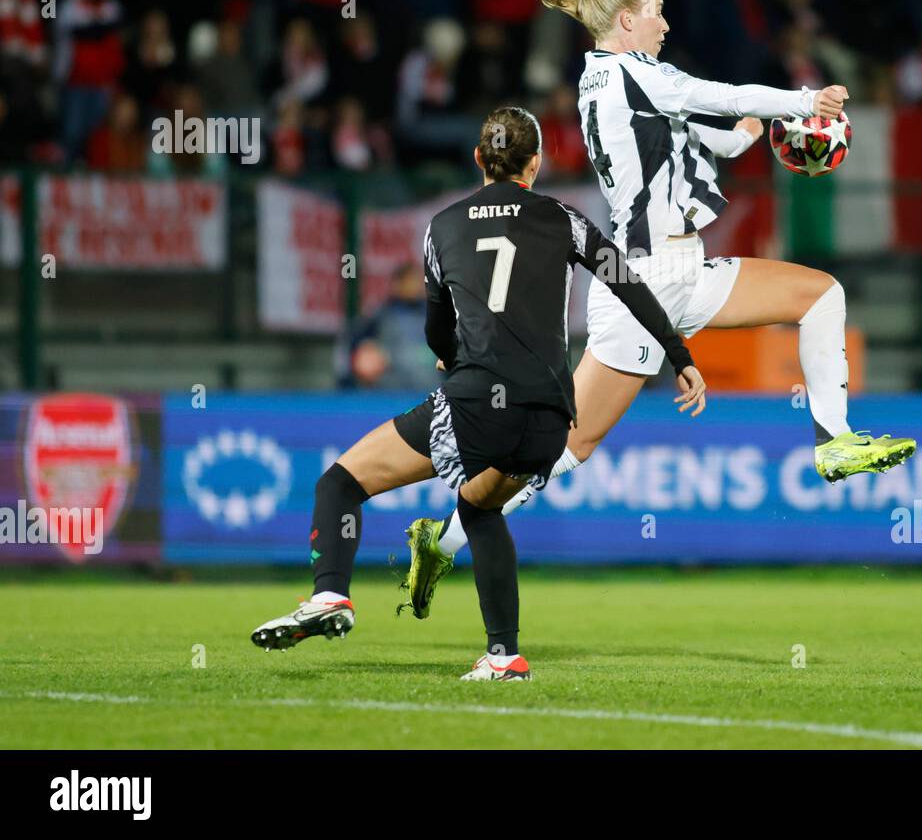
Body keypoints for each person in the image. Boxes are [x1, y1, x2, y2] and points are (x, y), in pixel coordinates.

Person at [422, 0, 917, 575]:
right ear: (625, 21)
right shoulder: (631, 75)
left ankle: (834, 441)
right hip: (643, 280)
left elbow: (710, 128)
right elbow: (716, 92)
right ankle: (441, 542)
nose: (665, 22)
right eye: (655, 11)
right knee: (566, 448)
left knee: (820, 295)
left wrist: (748, 130)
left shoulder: (625, 84)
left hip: (685, 268)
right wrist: (805, 100)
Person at [251, 106, 706, 681]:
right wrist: (680, 355)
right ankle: (503, 656)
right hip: (549, 419)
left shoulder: (443, 226)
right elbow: (627, 283)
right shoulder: (564, 219)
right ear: (534, 164)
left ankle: (329, 595)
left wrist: (448, 354)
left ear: (478, 161)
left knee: (339, 482)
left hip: (476, 404)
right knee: (478, 505)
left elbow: (435, 326)